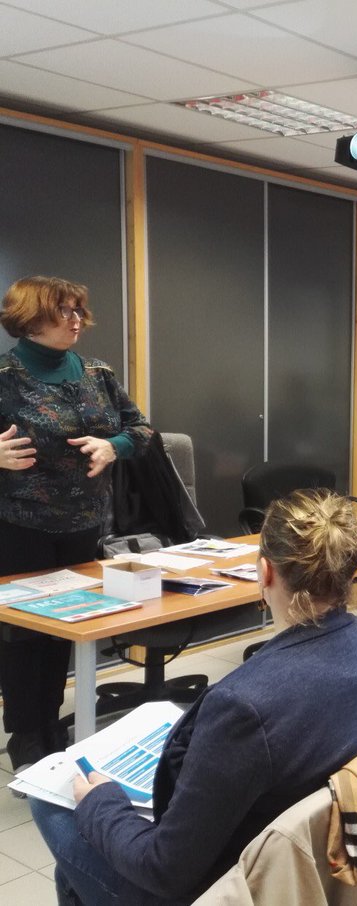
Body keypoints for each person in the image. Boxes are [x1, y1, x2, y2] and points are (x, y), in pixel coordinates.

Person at [30, 489, 357, 905]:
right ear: (350, 570)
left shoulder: (242, 707)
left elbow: (164, 869)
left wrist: (101, 801)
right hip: (325, 865)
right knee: (75, 874)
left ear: (264, 572)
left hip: (232, 888)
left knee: (53, 806)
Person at [0, 276, 153, 772]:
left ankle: (53, 722)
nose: (76, 321)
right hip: (18, 525)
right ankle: (26, 733)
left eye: (78, 311)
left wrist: (115, 446)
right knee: (25, 635)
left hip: (84, 523)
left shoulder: (97, 372)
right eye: (63, 311)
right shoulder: (3, 373)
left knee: (68, 625)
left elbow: (142, 430)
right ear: (29, 317)